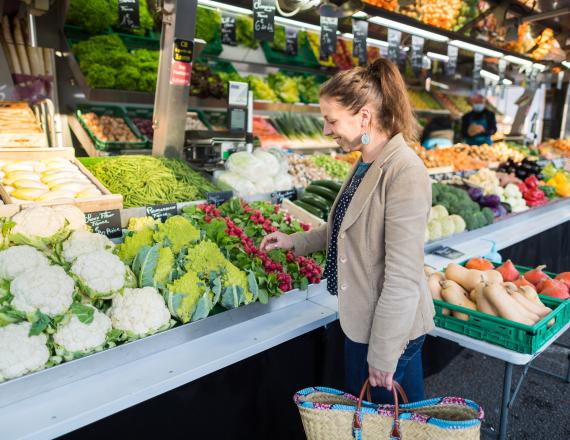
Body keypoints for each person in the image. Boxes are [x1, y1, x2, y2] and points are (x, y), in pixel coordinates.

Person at [260, 58, 435, 404]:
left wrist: (384, 354)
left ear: (364, 117)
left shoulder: (404, 171)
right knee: (391, 420)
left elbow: (403, 276)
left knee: (382, 425)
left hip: (386, 332)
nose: (327, 130)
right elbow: (345, 226)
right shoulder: (367, 160)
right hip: (362, 320)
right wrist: (294, 241)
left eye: (331, 120)